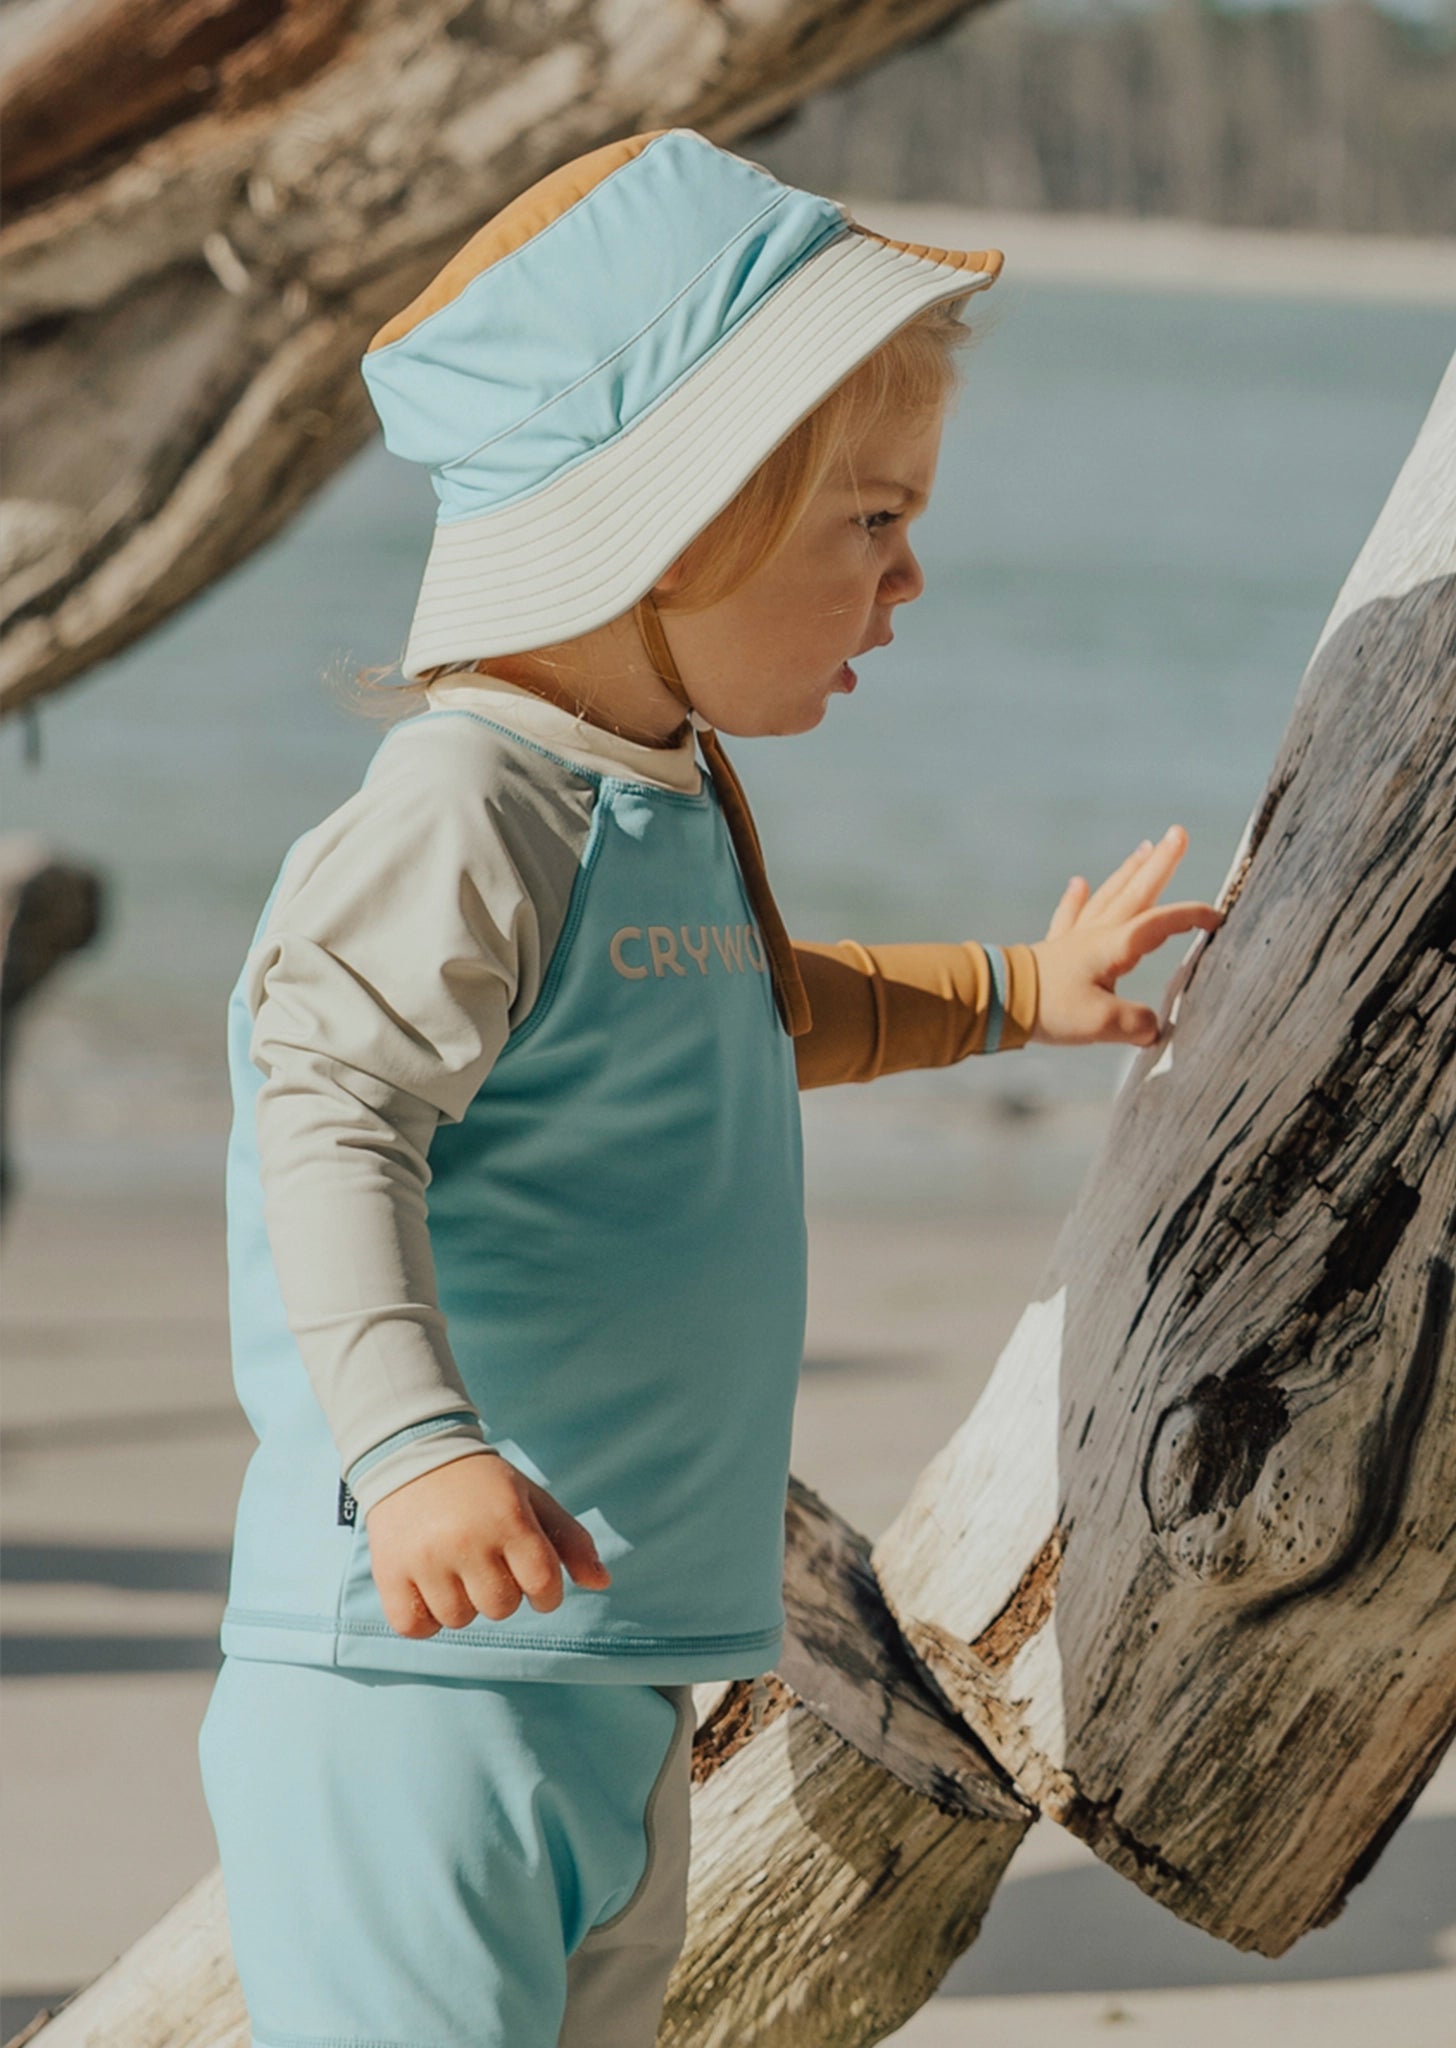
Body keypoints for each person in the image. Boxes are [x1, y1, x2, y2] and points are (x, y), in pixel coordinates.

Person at [195, 128, 1223, 2048]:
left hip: (614, 1665)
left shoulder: (654, 798)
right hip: (418, 1672)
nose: (909, 577)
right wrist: (412, 1450)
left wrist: (1019, 990)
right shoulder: (467, 801)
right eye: (868, 521)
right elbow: (321, 1116)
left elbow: (759, 1007)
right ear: (669, 520)